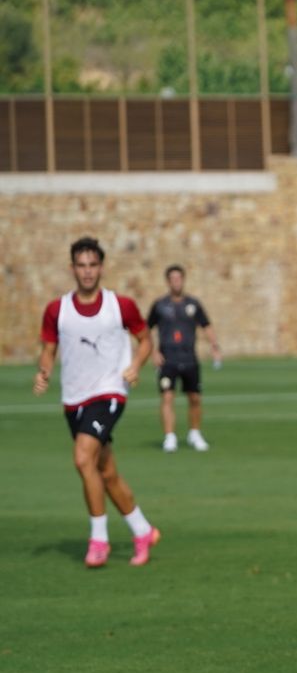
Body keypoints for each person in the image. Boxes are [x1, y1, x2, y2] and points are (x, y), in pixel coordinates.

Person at [33, 236, 162, 569]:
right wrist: (43, 372)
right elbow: (49, 348)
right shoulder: (56, 310)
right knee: (105, 472)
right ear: (72, 268)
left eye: (93, 265)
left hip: (109, 393)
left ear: (101, 268)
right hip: (73, 399)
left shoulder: (120, 305)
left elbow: (145, 338)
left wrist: (135, 365)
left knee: (81, 458)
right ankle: (143, 530)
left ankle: (99, 541)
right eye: (81, 265)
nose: (87, 272)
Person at [146, 264, 220, 452]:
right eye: (172, 279)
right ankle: (169, 437)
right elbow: (145, 330)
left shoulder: (193, 304)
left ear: (183, 280)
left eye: (179, 278)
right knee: (167, 398)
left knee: (195, 398)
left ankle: (194, 433)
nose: (176, 282)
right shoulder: (160, 305)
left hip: (189, 359)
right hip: (168, 360)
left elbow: (206, 325)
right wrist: (153, 352)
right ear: (168, 281)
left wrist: (214, 346)